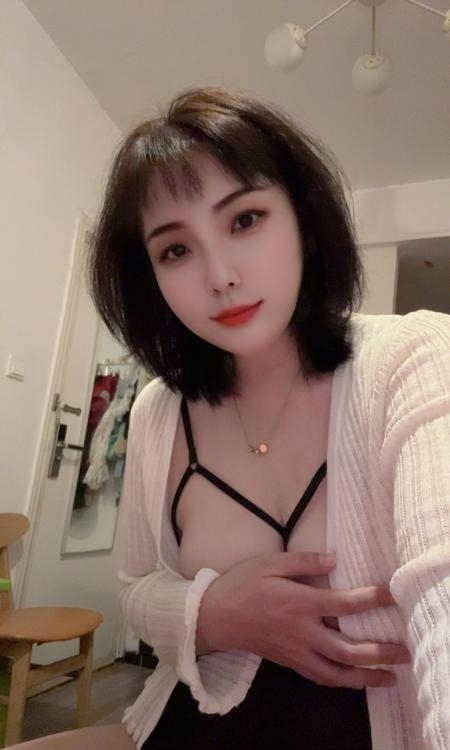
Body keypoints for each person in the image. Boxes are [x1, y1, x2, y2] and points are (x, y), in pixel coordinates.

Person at [89, 87, 450, 750]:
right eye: (175, 251)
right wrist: (213, 613)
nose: (220, 276)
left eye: (245, 219)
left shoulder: (413, 358)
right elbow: (137, 591)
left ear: (304, 223)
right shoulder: (156, 412)